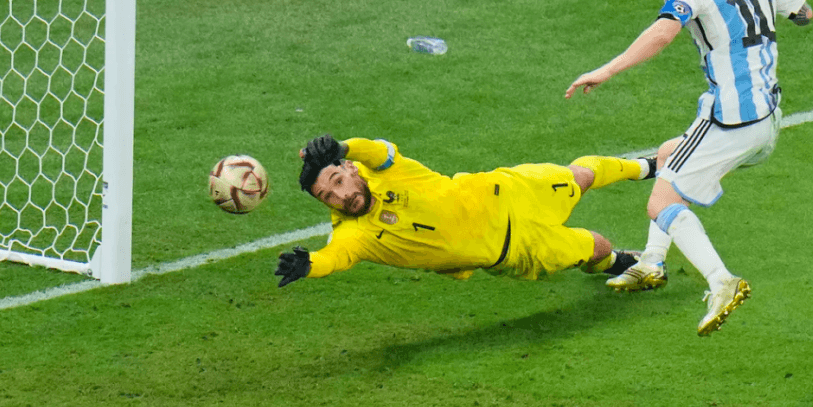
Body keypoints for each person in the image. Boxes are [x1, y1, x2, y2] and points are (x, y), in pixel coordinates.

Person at [565, 0, 813, 336]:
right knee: (668, 155)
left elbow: (662, 34)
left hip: (730, 119)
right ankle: (651, 264)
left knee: (660, 204)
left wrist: (605, 71)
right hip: (768, 117)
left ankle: (721, 281)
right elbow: (803, 12)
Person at [274, 135, 658, 288]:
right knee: (596, 246)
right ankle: (615, 265)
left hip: (506, 192)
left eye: (337, 182)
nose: (339, 197)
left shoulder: (388, 171)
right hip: (514, 247)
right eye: (327, 196)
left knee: (582, 174)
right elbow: (334, 256)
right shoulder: (355, 234)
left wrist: (343, 147)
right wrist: (310, 265)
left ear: (350, 169)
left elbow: (378, 151)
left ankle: (646, 167)